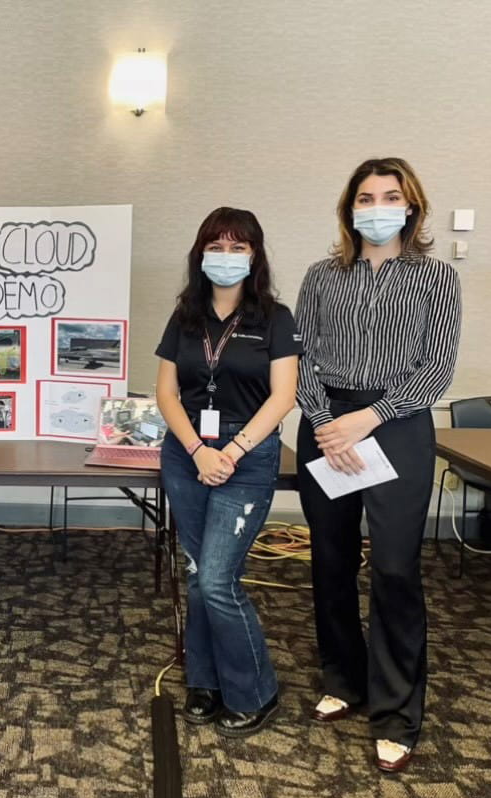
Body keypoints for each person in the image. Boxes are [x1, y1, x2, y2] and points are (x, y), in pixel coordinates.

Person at [295, 157, 461, 773]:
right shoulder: (320, 276)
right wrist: (323, 423)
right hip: (324, 424)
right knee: (330, 558)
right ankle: (345, 676)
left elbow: (437, 367)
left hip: (395, 428)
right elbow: (301, 356)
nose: (376, 207)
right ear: (349, 208)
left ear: (411, 206)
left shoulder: (436, 278)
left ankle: (396, 711)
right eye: (365, 197)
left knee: (393, 568)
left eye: (390, 196)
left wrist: (367, 420)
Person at [156, 207, 301, 737]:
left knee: (218, 580)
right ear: (200, 254)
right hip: (188, 451)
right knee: (198, 574)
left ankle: (255, 691)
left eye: (238, 247)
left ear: (255, 255)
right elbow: (166, 393)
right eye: (216, 246)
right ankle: (206, 681)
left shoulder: (275, 317)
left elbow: (284, 396)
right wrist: (197, 449)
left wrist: (232, 451)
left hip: (247, 452)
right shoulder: (185, 316)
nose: (226, 256)